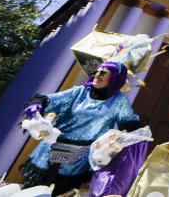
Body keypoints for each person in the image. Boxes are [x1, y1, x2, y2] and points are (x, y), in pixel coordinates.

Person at [20, 62, 141, 195]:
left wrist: (139, 133)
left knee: (63, 194)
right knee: (33, 192)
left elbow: (128, 122)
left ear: (114, 78)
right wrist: (37, 104)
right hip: (50, 151)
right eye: (97, 71)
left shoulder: (119, 100)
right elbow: (49, 100)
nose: (97, 74)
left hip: (78, 161)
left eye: (104, 72)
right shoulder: (79, 92)